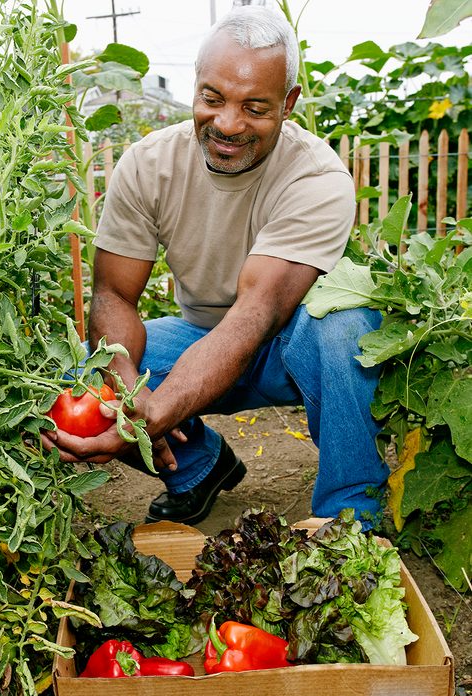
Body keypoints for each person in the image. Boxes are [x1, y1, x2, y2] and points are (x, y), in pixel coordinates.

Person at [42, 6, 388, 528]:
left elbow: (259, 313)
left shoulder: (317, 178)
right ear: (195, 86)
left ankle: (350, 522)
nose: (227, 124)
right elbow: (114, 297)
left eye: (255, 107)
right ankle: (201, 468)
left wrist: (153, 416)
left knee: (347, 331)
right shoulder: (149, 163)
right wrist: (131, 397)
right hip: (199, 339)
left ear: (289, 103)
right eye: (212, 98)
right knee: (81, 377)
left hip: (290, 346)